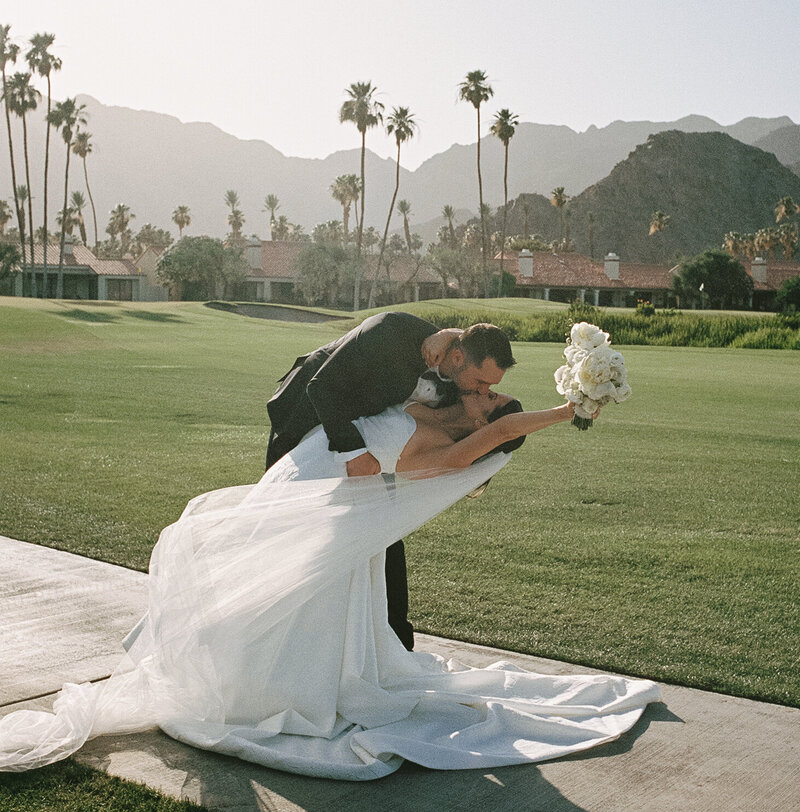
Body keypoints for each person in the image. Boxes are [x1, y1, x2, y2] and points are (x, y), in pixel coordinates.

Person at [0, 390, 660, 778]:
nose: (484, 398)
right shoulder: (419, 403)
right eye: (486, 394)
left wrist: (571, 407)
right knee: (284, 596)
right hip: (327, 496)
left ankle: (277, 685)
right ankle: (263, 675)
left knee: (314, 622)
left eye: (490, 404)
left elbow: (509, 428)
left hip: (339, 518)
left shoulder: (446, 449)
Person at [265, 312, 516, 648]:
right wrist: (352, 454)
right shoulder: (389, 334)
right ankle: (273, 634)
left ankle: (394, 641)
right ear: (458, 358)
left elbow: (496, 427)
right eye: (482, 382)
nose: (484, 390)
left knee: (382, 539)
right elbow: (321, 388)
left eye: (490, 387)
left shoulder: (458, 378)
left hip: (371, 449)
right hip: (309, 421)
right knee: (284, 532)